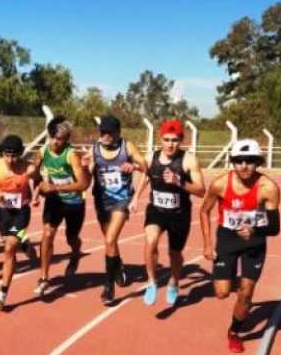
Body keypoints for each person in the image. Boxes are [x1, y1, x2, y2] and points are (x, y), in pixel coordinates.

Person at [199, 139, 281, 353]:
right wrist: (207, 244)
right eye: (238, 161)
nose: (244, 166)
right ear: (232, 162)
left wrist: (255, 231)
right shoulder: (219, 184)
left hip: (254, 242)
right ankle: (235, 281)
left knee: (246, 292)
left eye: (250, 161)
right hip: (227, 239)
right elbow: (204, 211)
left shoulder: (268, 188)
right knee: (222, 292)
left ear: (258, 162)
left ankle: (234, 332)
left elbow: (274, 228)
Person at [132, 119, 206, 306]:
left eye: (174, 140)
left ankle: (174, 281)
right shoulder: (151, 157)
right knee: (150, 241)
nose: (170, 144)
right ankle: (151, 282)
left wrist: (179, 181)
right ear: (160, 139)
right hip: (156, 210)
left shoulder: (189, 160)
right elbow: (146, 176)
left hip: (179, 214)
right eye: (166, 139)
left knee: (175, 254)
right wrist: (136, 197)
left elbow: (201, 191)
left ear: (181, 140)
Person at [86, 115, 147, 302]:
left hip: (122, 199)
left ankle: (108, 286)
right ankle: (118, 264)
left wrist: (133, 165)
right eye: (102, 132)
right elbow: (87, 172)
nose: (104, 136)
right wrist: (85, 166)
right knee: (109, 242)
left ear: (118, 133)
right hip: (101, 201)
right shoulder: (94, 148)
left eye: (109, 133)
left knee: (110, 239)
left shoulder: (127, 146)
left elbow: (145, 166)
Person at [34, 116, 90, 295]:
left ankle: (76, 253)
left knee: (71, 238)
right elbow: (35, 175)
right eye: (53, 137)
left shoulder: (71, 155)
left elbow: (83, 184)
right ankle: (44, 277)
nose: (55, 142)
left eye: (60, 139)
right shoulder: (42, 152)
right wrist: (37, 191)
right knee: (47, 234)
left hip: (74, 202)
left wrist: (55, 187)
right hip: (54, 201)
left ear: (66, 139)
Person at [0, 135, 42, 310]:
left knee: (9, 248)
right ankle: (25, 244)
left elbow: (38, 181)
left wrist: (36, 195)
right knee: (10, 242)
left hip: (21, 211)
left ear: (21, 153)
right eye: (7, 155)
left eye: (14, 156)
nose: (10, 159)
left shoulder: (29, 168)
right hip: (2, 212)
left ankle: (2, 294)